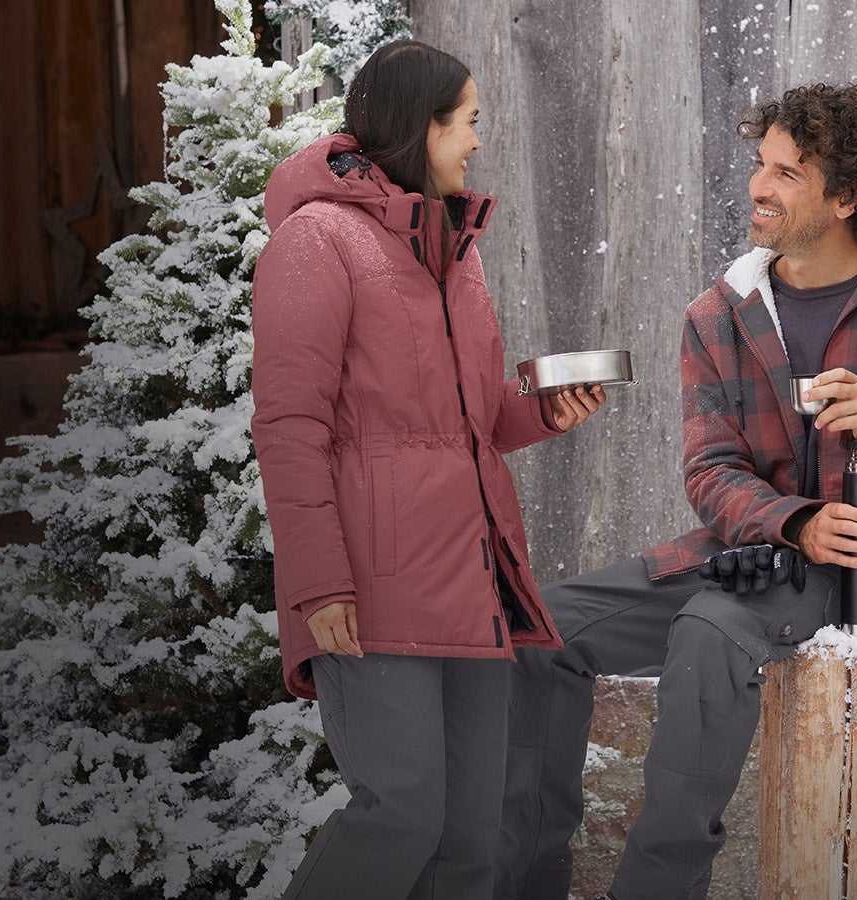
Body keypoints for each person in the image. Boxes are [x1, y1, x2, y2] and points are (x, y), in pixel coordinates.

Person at [497, 82, 857, 900]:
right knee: (543, 627)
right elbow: (711, 470)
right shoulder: (719, 312)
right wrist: (792, 522)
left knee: (710, 628)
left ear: (847, 197)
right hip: (755, 552)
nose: (759, 187)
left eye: (788, 173)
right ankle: (523, 884)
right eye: (760, 165)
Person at [249, 39, 606, 900]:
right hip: (369, 585)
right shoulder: (315, 242)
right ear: (423, 125)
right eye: (469, 122)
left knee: (469, 836)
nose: (477, 142)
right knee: (400, 813)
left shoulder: (452, 245)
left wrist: (542, 406)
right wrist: (317, 583)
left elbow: (464, 423)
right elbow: (289, 428)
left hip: (470, 576)